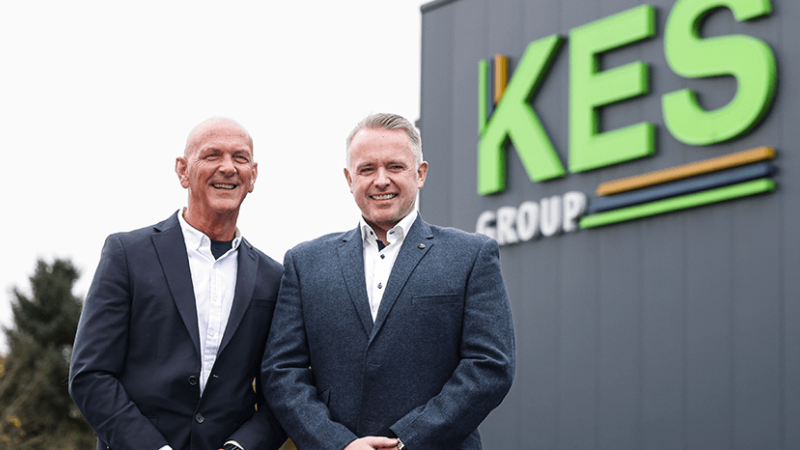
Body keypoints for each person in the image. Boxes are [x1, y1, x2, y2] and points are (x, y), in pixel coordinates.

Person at [262, 112, 515, 450]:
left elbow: (490, 366)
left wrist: (406, 440)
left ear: (420, 173)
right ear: (349, 179)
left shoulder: (471, 256)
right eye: (367, 169)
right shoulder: (305, 263)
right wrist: (339, 444)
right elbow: (282, 371)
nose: (381, 180)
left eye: (395, 167)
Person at [69, 118, 285, 450]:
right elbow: (90, 375)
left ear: (253, 176)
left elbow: (282, 391)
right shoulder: (127, 254)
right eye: (212, 155)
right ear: (183, 170)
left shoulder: (274, 278)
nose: (228, 168)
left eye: (240, 158)